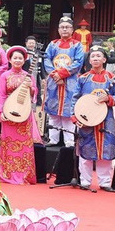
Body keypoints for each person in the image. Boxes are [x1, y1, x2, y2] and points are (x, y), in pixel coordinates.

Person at [72, 46, 115, 190]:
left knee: (105, 149)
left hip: (106, 119)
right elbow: (74, 98)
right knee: (85, 148)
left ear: (104, 59)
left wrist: (109, 98)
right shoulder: (83, 78)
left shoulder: (112, 79)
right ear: (89, 60)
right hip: (86, 118)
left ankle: (105, 182)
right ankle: (85, 181)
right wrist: (74, 117)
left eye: (98, 56)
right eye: (92, 56)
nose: (95, 58)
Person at [0, 45, 41, 184]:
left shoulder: (27, 76)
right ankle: (8, 173)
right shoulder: (5, 76)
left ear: (24, 60)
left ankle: (24, 174)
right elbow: (1, 95)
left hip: (23, 112)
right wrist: (0, 112)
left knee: (24, 145)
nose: (17, 60)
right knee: (8, 144)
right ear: (10, 60)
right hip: (9, 112)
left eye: (20, 58)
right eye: (15, 58)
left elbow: (34, 94)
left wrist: (31, 88)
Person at [43, 16, 85, 147]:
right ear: (58, 29)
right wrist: (55, 75)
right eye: (62, 27)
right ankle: (53, 139)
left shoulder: (77, 45)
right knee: (53, 113)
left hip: (70, 81)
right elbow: (46, 59)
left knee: (68, 113)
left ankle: (69, 141)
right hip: (54, 82)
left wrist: (62, 74)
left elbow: (78, 63)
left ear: (72, 30)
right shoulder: (53, 44)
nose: (65, 29)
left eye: (67, 27)